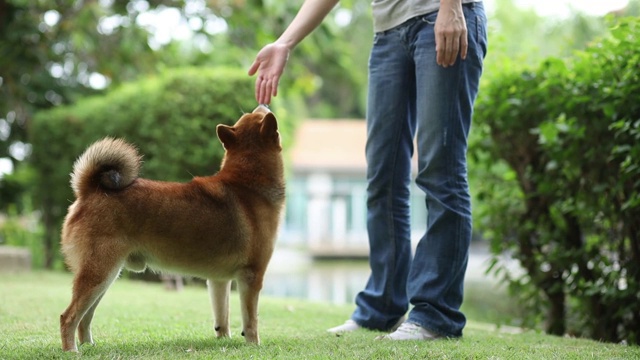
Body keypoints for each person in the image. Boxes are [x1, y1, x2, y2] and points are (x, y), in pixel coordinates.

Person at [249, 0, 488, 341]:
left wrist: (451, 7)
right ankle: (381, 308)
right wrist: (285, 42)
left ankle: (437, 315)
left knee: (440, 172)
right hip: (387, 31)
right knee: (382, 178)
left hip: (441, 15)